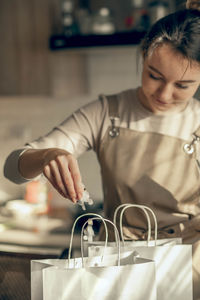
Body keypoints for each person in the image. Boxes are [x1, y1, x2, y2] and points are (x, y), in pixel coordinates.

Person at [3, 0, 200, 298]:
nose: (164, 94)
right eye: (154, 75)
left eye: (183, 86)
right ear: (143, 55)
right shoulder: (106, 112)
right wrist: (46, 155)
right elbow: (12, 169)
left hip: (188, 269)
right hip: (115, 267)